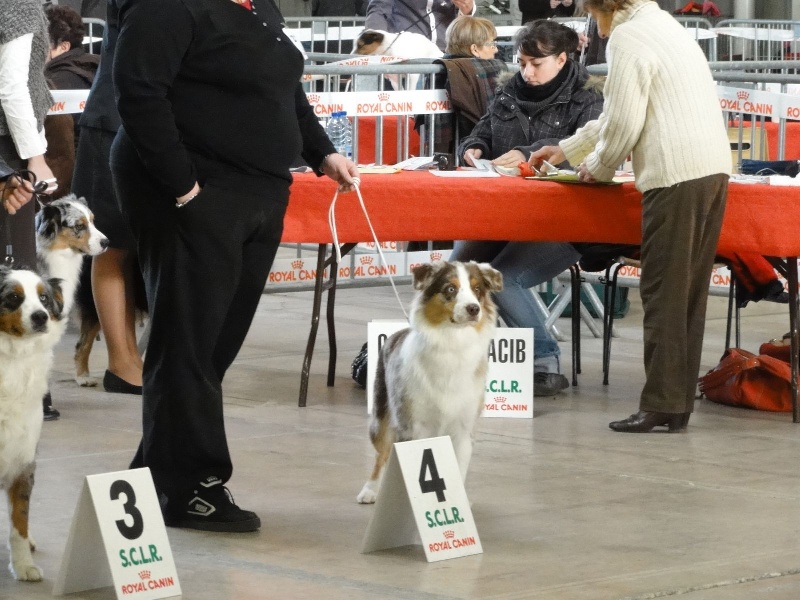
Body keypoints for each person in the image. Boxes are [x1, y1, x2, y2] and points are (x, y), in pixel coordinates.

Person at [110, 0, 359, 533]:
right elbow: (138, 92)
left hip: (258, 189)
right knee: (189, 342)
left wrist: (321, 152)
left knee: (213, 345)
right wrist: (183, 189)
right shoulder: (167, 8)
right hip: (195, 189)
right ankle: (193, 486)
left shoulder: (258, 9)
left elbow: (283, 90)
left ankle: (156, 474)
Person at [531, 0, 730, 433]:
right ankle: (673, 404)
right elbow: (616, 115)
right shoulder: (661, 24)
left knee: (662, 293)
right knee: (686, 296)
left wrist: (596, 168)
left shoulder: (628, 36)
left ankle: (661, 404)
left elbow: (623, 121)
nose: (592, 25)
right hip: (709, 168)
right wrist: (568, 148)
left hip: (675, 174)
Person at [450, 20, 602, 396]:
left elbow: (588, 148)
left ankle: (543, 361)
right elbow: (481, 131)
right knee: (456, 272)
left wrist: (532, 154)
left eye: (536, 63)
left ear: (563, 58)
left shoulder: (590, 97)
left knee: (502, 277)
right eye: (521, 62)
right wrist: (473, 149)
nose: (527, 72)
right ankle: (442, 357)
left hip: (566, 220)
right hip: (503, 214)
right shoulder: (507, 91)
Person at [71, 0, 143, 396]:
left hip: (157, 124)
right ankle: (122, 362)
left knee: (134, 249)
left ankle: (135, 359)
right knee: (112, 245)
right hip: (113, 121)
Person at [0, 0, 59, 420]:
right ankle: (22, 392)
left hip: (11, 148)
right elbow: (11, 86)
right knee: (14, 273)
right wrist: (35, 156)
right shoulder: (17, 3)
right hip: (8, 151)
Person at [366, 0, 476, 52]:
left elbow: (466, 20)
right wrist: (377, 46)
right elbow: (378, 11)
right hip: (406, 56)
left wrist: (467, 11)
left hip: (446, 56)